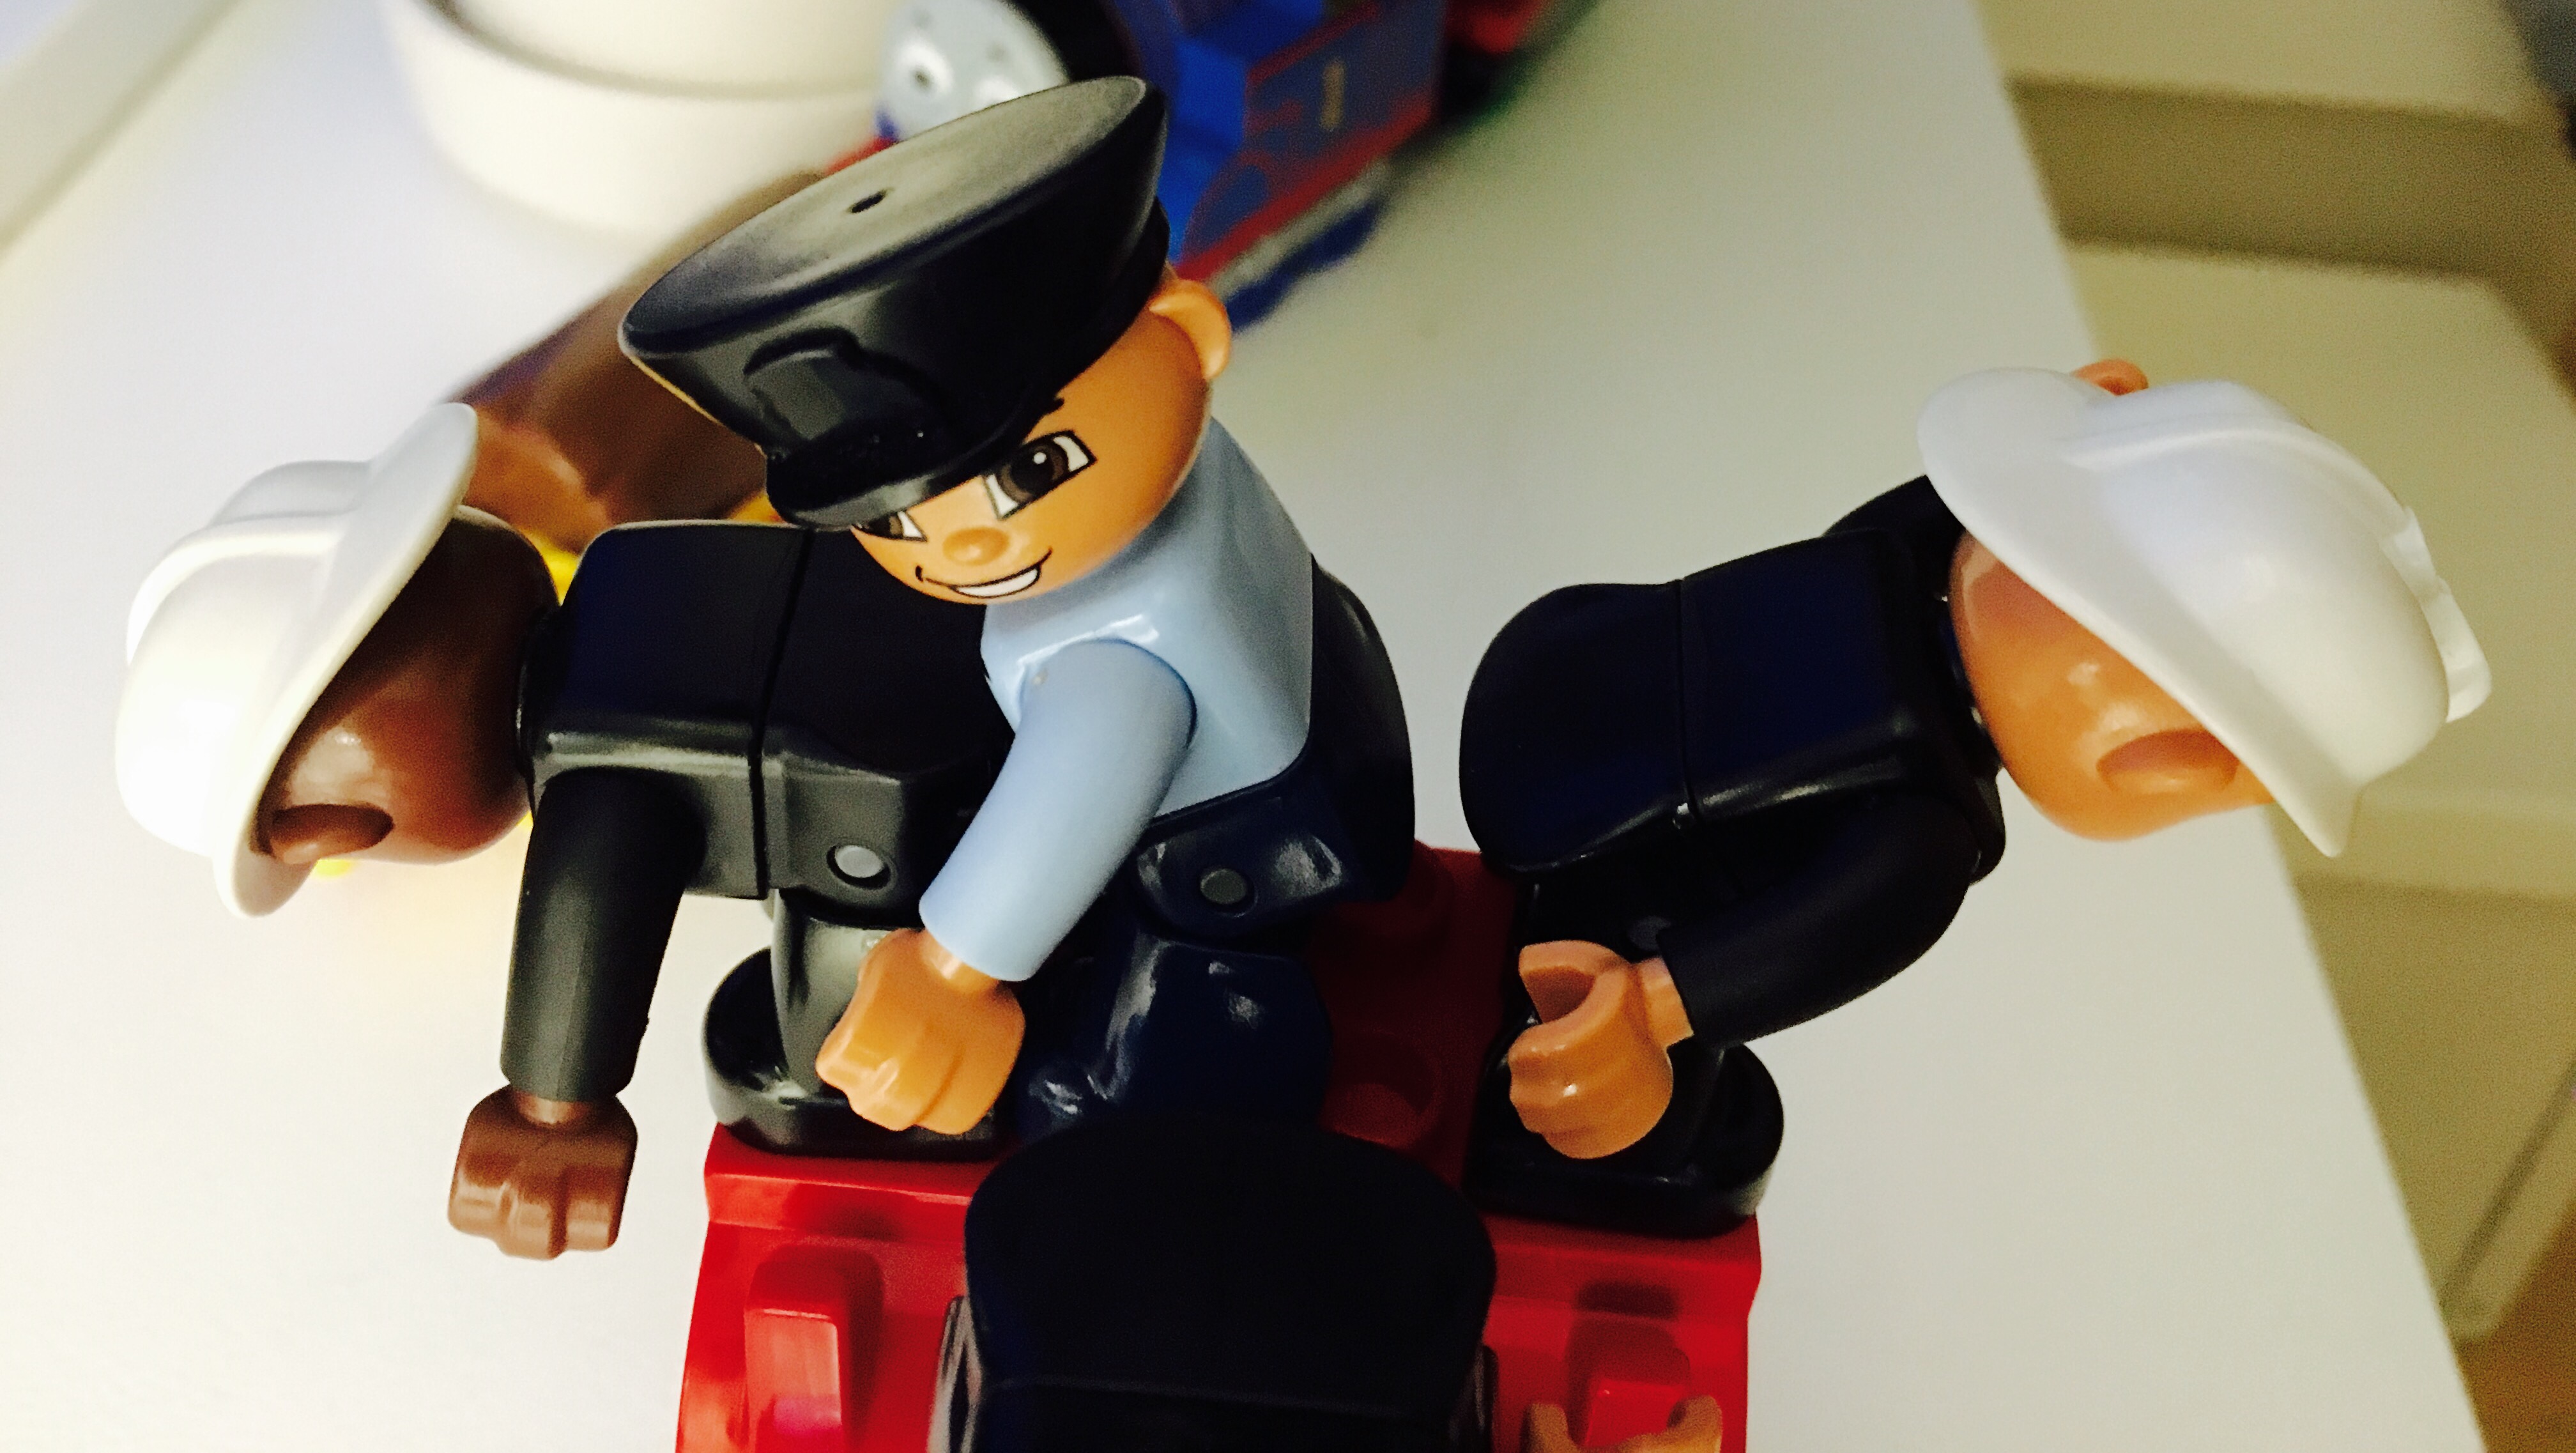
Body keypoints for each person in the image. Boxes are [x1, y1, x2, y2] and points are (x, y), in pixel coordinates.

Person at [1459, 360, 2490, 1232]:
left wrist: (1658, 1004)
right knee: (1656, 1138)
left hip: (1566, 666)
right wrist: (1646, 1012)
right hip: (1614, 904)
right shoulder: (1920, 843)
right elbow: (1802, 944)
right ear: (2159, 761)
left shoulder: (1906, 548)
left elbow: (1797, 942)